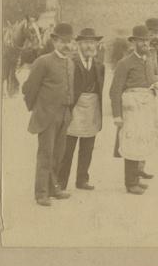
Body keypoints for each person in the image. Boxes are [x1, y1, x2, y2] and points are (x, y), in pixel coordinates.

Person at [22, 22, 76, 206]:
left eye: (70, 42)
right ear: (54, 41)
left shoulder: (70, 62)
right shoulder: (43, 61)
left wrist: (68, 112)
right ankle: (41, 193)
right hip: (47, 115)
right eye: (63, 42)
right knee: (46, 154)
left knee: (58, 154)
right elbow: (29, 88)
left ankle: (54, 188)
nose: (67, 46)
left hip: (64, 114)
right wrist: (37, 109)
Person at [110, 25, 158, 195]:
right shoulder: (124, 63)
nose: (145, 43)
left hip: (145, 107)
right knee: (131, 142)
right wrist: (117, 115)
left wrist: (155, 85)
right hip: (131, 108)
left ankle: (136, 178)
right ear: (134, 42)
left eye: (147, 40)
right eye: (141, 40)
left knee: (141, 141)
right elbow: (115, 90)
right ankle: (130, 182)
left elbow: (149, 80)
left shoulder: (148, 61)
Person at [57, 27, 106, 191]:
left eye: (92, 43)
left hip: (92, 107)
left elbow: (101, 87)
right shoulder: (70, 62)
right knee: (67, 148)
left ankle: (82, 180)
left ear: (97, 45)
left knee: (88, 146)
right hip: (74, 107)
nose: (89, 46)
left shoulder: (99, 65)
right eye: (85, 43)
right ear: (78, 44)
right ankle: (61, 181)